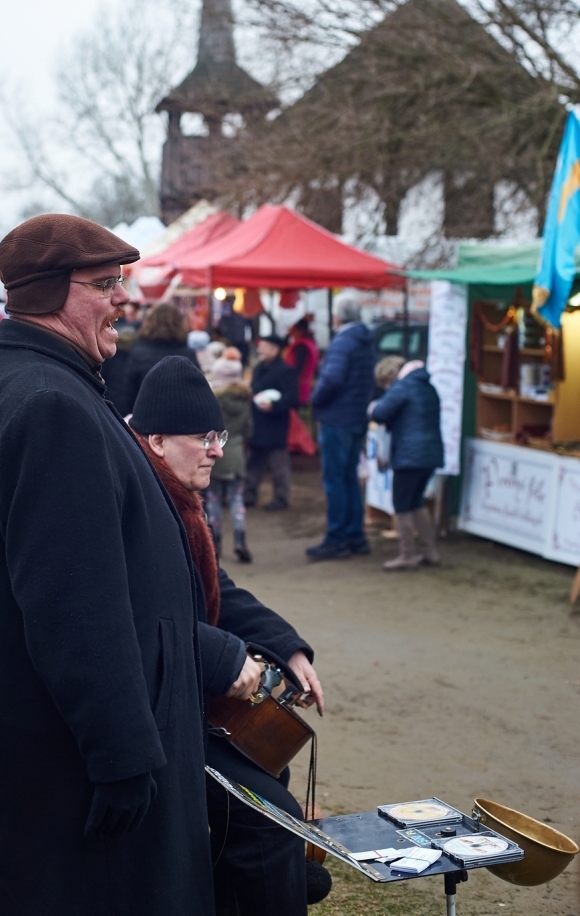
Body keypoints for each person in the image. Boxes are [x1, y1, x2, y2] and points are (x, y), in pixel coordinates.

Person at [0, 213, 216, 916]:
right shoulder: (48, 403)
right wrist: (123, 754)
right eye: (105, 284)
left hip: (45, 751)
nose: (122, 299)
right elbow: (72, 605)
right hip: (64, 766)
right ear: (46, 295)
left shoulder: (28, 380)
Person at [129, 356, 331, 916]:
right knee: (270, 819)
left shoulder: (177, 494)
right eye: (205, 437)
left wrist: (285, 645)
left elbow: (217, 587)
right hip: (153, 721)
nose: (219, 449)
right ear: (158, 439)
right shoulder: (137, 499)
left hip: (188, 702)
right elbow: (135, 619)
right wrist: (221, 656)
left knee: (275, 784)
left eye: (219, 434)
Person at [306, 293, 376, 561]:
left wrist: (316, 399)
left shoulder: (343, 341)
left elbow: (333, 378)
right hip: (356, 416)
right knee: (349, 479)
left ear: (338, 316)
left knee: (336, 479)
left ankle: (337, 538)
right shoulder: (364, 340)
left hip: (338, 418)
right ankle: (355, 535)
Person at [370, 359, 444, 569]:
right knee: (416, 503)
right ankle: (430, 551)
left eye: (386, 383)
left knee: (401, 505)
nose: (386, 388)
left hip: (409, 456)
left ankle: (407, 554)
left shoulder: (403, 386)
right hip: (430, 455)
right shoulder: (427, 386)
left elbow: (380, 412)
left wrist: (373, 406)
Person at [205, 350, 254, 562]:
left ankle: (215, 542)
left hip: (216, 454)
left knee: (213, 499)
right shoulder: (245, 399)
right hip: (237, 455)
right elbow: (249, 430)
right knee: (237, 499)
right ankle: (240, 540)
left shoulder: (211, 399)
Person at [244, 335, 298, 511]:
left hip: (275, 424)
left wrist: (274, 406)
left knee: (278, 463)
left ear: (275, 349)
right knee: (254, 461)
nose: (260, 350)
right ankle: (249, 494)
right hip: (258, 422)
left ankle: (281, 497)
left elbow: (293, 399)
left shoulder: (285, 371)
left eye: (264, 346)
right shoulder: (259, 368)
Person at [122, 302, 199, 414]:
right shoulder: (188, 353)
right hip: (181, 419)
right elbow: (197, 391)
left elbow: (128, 392)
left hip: (145, 418)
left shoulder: (139, 352)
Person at [283, 318, 319, 407]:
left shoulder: (302, 346)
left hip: (298, 388)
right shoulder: (310, 343)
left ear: (299, 330)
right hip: (305, 386)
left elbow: (298, 368)